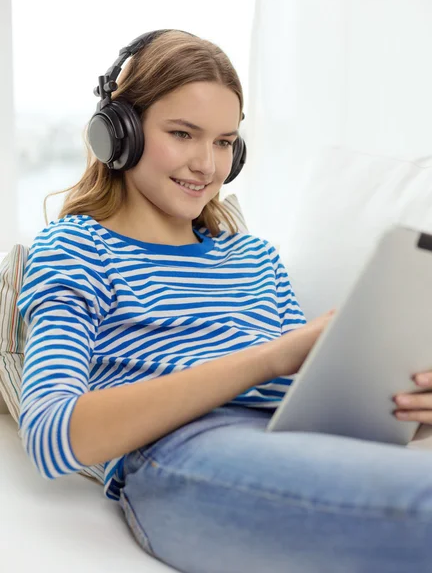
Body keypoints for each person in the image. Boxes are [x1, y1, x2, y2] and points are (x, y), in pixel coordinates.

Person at [16, 29, 432, 573]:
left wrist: (411, 409)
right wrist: (273, 356)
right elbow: (51, 434)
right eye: (183, 134)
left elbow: (308, 400)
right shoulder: (76, 247)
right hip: (182, 453)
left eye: (222, 142)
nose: (207, 165)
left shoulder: (256, 257)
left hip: (291, 438)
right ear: (119, 133)